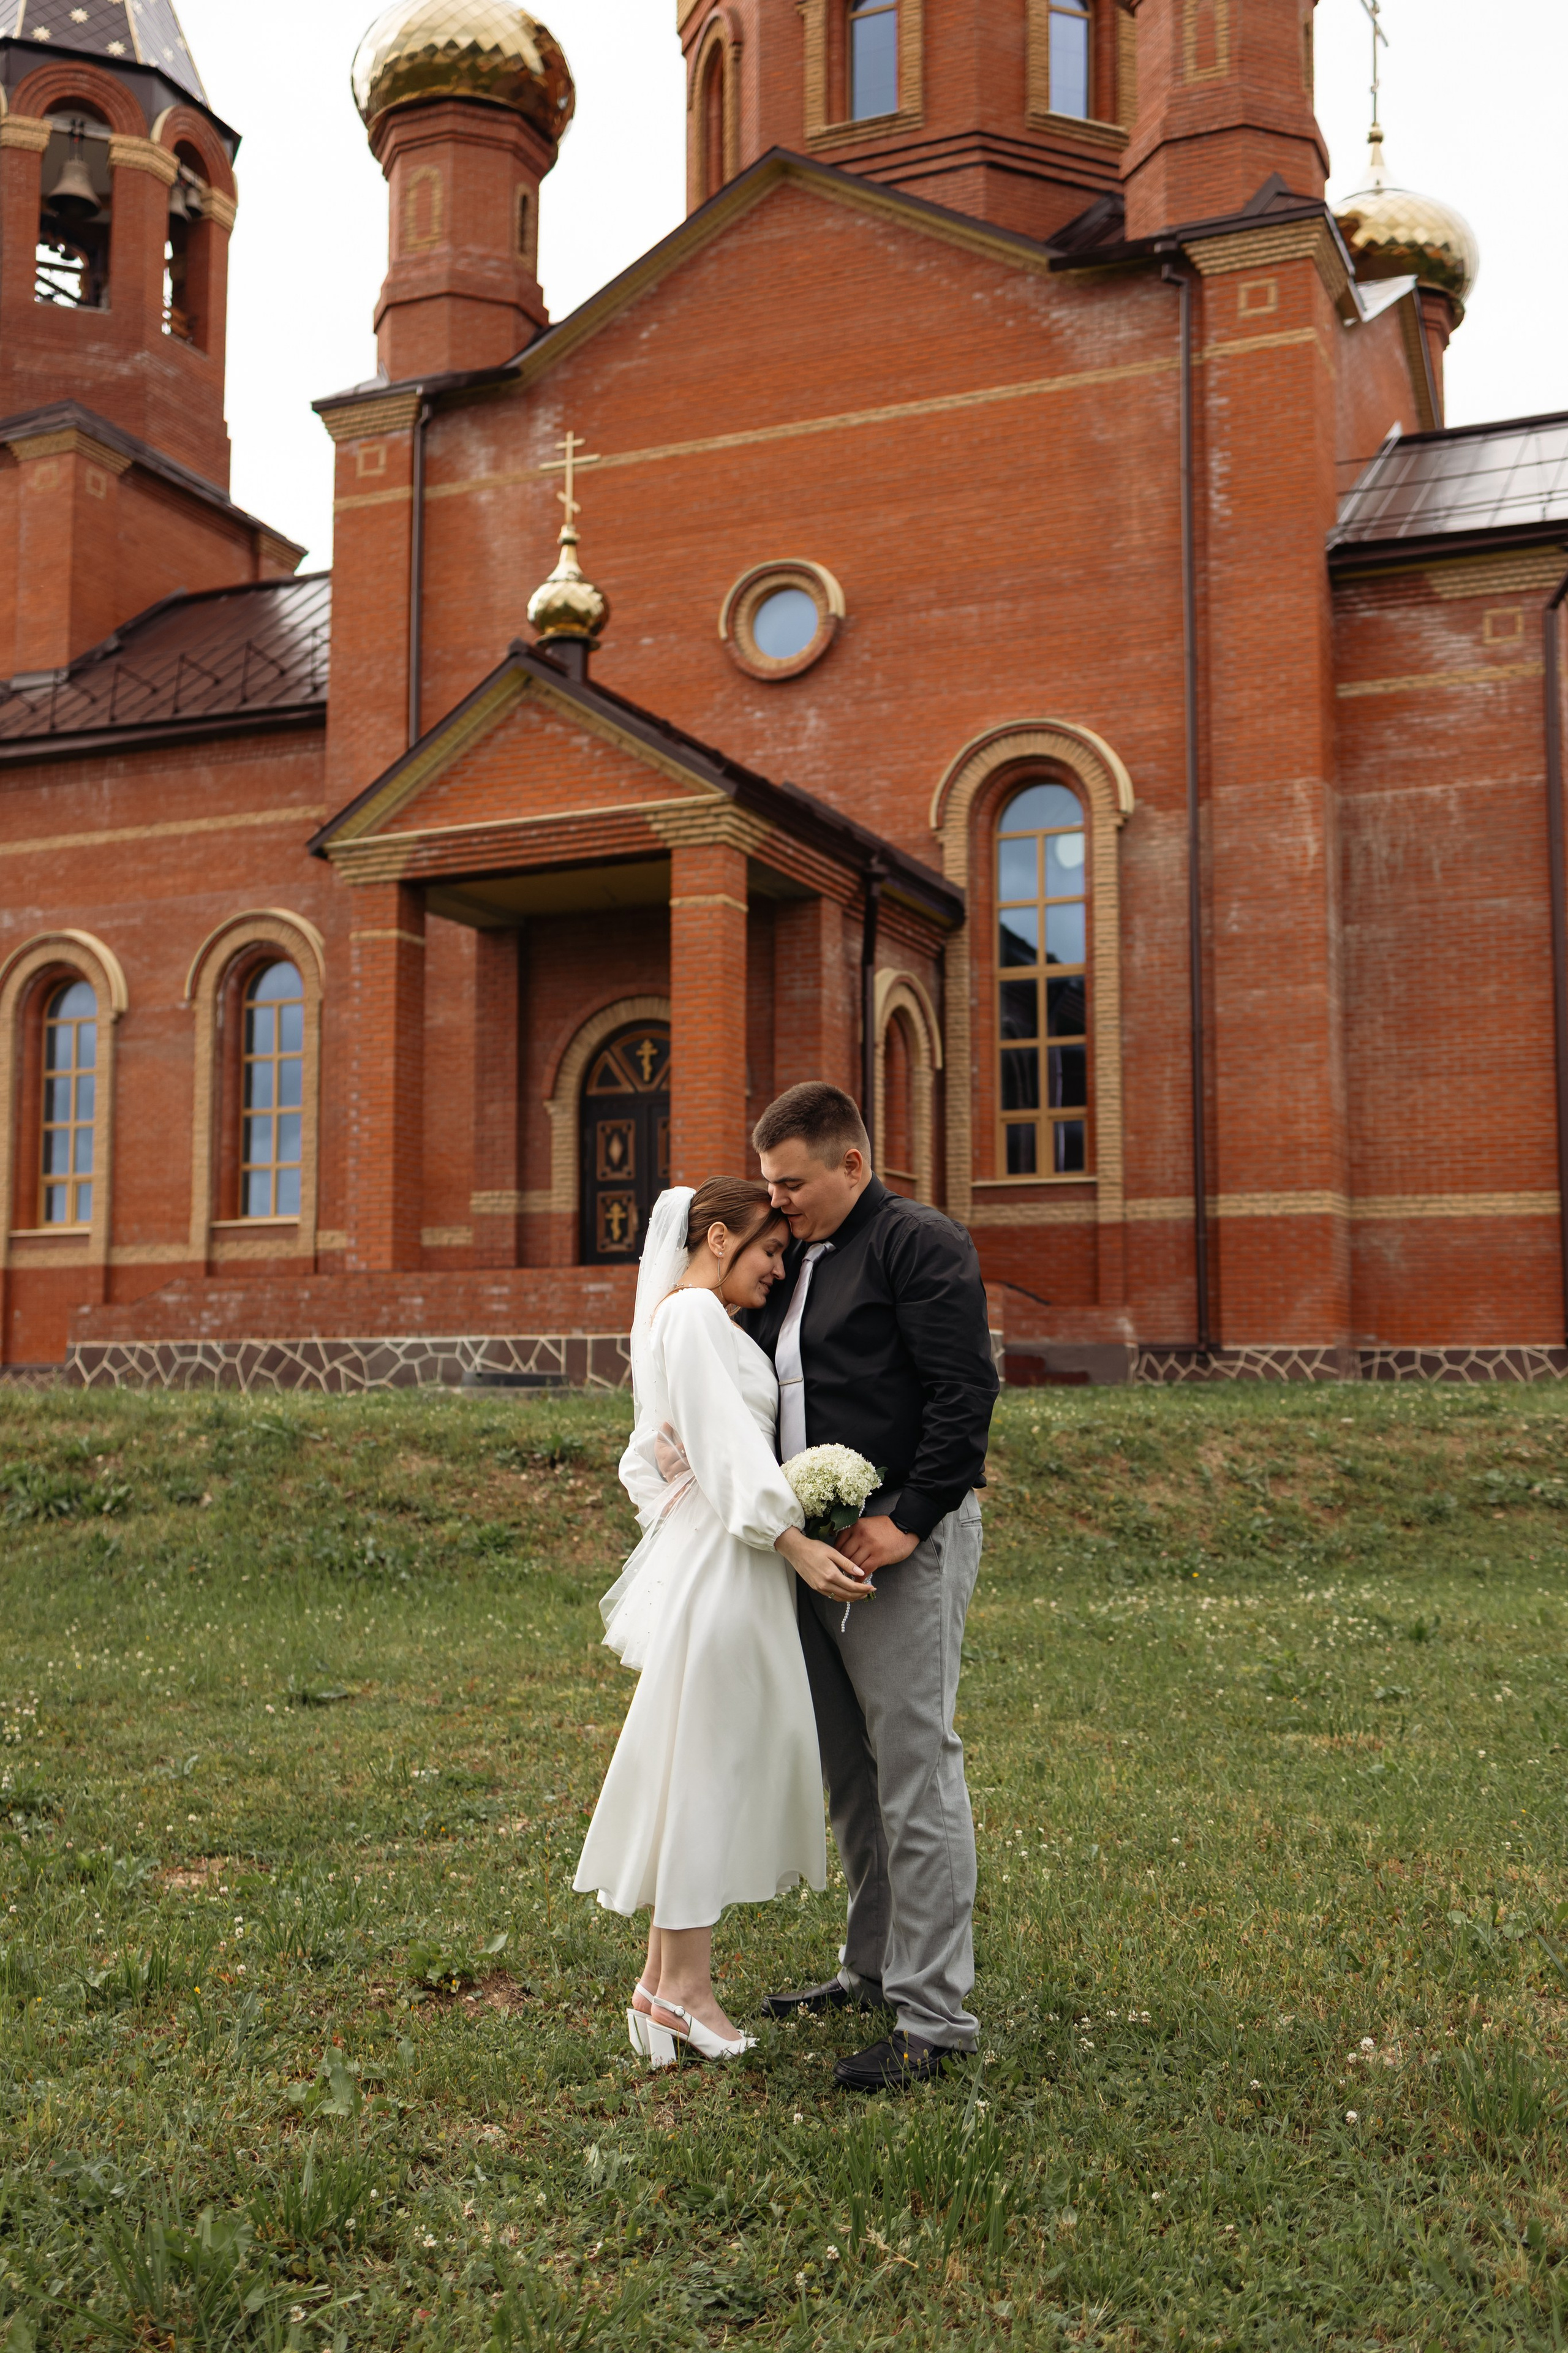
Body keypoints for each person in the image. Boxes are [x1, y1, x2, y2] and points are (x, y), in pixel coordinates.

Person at [573, 1175, 872, 2064]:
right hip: (736, 1566)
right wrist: (793, 1540)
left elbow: (649, 1456)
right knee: (708, 1765)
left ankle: (662, 1985)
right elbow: (729, 1447)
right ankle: (690, 1992)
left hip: (724, 1552)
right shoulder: (698, 1318)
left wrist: (689, 1496)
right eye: (767, 1250)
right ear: (715, 1238)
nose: (779, 1268)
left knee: (693, 1761)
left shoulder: (682, 1319)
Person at [745, 1082, 999, 2091]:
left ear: (853, 1163)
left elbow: (963, 1391)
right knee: (849, 1771)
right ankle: (870, 1968)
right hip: (813, 1547)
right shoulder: (796, 1253)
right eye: (770, 1184)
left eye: (793, 1182)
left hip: (898, 1539)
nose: (780, 1201)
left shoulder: (917, 1242)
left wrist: (910, 1517)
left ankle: (935, 2020)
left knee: (914, 1764)